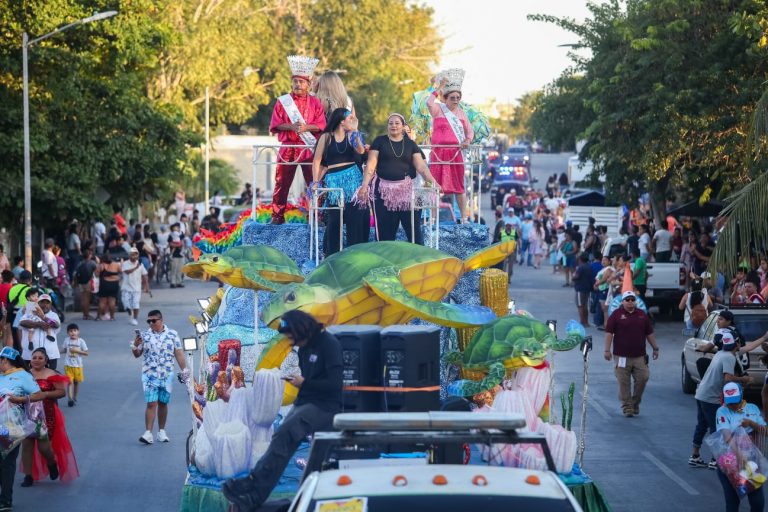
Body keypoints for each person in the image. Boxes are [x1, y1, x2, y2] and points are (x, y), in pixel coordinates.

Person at [222, 310, 342, 511]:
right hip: (308, 401)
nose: (290, 341)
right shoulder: (304, 349)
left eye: (291, 336)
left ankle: (254, 489)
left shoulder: (328, 345)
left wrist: (304, 383)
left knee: (286, 433)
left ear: (302, 330)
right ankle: (255, 487)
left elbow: (335, 385)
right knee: (281, 438)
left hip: (327, 406)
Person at [357, 113, 437, 242]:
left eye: (397, 123)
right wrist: (365, 185)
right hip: (382, 192)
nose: (393, 125)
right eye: (391, 123)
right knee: (384, 233)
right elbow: (371, 165)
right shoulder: (379, 141)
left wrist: (434, 183)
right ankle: (385, 260)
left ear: (403, 126)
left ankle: (418, 259)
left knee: (413, 231)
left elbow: (422, 167)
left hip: (406, 192)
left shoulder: (411, 144)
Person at [269, 55, 326, 224]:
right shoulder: (283, 102)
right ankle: (277, 216)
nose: (298, 85)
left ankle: (316, 216)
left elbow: (321, 125)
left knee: (314, 182)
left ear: (308, 84)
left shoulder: (316, 102)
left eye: (301, 82)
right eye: (295, 82)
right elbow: (275, 124)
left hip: (309, 147)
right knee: (281, 182)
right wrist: (292, 127)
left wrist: (306, 127)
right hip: (288, 146)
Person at [689, 330, 751, 469]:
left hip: (701, 394)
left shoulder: (720, 353)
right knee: (717, 428)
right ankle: (715, 459)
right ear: (737, 343)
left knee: (702, 424)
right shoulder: (729, 357)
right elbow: (728, 378)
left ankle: (695, 455)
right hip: (711, 397)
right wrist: (743, 379)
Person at [311, 108, 369, 257]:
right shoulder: (326, 137)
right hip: (334, 180)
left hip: (353, 179)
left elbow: (362, 151)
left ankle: (355, 255)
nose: (352, 120)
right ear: (341, 121)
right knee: (334, 219)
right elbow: (317, 160)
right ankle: (332, 255)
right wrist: (316, 181)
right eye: (350, 118)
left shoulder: (352, 136)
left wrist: (355, 132)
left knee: (354, 218)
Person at [20, 348, 78, 487]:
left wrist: (45, 395)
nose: (37, 360)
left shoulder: (52, 374)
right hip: (27, 414)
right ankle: (28, 476)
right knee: (27, 445)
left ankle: (52, 463)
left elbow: (61, 392)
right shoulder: (24, 375)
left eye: (40, 358)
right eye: (34, 357)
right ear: (30, 360)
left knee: (43, 447)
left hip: (46, 413)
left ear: (46, 361)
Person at [131, 310, 188, 444]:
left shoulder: (172, 334)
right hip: (149, 374)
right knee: (151, 403)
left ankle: (161, 431)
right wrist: (135, 344)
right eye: (148, 321)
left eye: (153, 321)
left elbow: (178, 353)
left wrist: (185, 371)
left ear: (161, 320)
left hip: (167, 374)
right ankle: (148, 433)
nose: (151, 323)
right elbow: (137, 354)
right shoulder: (144, 335)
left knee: (163, 403)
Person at [427, 70, 473, 222]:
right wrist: (438, 88)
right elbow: (428, 102)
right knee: (434, 186)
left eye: (458, 98)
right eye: (452, 97)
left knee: (459, 186)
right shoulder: (438, 109)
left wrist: (467, 141)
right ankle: (433, 218)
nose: (455, 100)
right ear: (445, 98)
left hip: (455, 154)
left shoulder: (461, 114)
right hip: (438, 153)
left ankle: (464, 218)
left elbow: (469, 132)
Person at [603, 290, 659, 417]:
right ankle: (627, 407)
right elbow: (609, 333)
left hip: (639, 356)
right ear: (622, 301)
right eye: (627, 300)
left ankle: (635, 402)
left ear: (635, 301)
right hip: (621, 356)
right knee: (624, 382)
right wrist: (607, 350)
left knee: (643, 378)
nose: (630, 302)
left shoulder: (642, 315)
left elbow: (649, 333)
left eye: (632, 300)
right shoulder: (616, 315)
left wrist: (655, 348)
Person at [0, 347, 43, 510]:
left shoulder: (23, 376)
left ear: (4, 360)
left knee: (7, 462)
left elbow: (38, 394)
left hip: (12, 427)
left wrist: (21, 399)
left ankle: (5, 500)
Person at [714, 382, 766, 512]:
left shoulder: (753, 409)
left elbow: (766, 431)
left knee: (757, 502)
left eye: (735, 402)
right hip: (729, 463)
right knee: (732, 502)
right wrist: (739, 455)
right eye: (729, 402)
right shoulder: (722, 411)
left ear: (741, 396)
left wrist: (751, 423)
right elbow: (727, 437)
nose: (732, 406)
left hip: (752, 462)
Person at [19, 294, 61, 369]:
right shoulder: (30, 312)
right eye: (42, 302)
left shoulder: (53, 315)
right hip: (30, 354)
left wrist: (43, 317)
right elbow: (22, 322)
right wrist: (39, 324)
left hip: (50, 354)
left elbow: (56, 325)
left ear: (50, 304)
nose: (45, 305)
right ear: (38, 303)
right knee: (30, 377)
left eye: (47, 303)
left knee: (50, 377)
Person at [121, 248, 148, 325]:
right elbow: (127, 272)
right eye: (132, 254)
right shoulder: (125, 264)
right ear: (129, 255)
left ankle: (135, 318)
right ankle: (130, 315)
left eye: (136, 254)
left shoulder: (141, 265)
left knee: (136, 304)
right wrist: (136, 267)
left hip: (136, 289)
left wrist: (146, 287)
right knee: (126, 305)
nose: (134, 256)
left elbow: (144, 275)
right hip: (126, 288)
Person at [63, 323, 88, 407]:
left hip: (78, 366)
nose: (73, 333)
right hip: (68, 365)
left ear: (78, 332)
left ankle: (74, 397)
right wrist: (55, 353)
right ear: (67, 332)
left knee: (76, 382)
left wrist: (77, 351)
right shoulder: (66, 340)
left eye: (75, 331)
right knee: (70, 382)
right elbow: (64, 350)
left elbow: (86, 353)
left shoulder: (81, 341)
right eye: (70, 331)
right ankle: (70, 399)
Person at [96, 253, 121, 321]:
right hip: (114, 283)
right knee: (112, 301)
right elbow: (120, 271)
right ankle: (112, 317)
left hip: (104, 283)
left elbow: (96, 275)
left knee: (102, 301)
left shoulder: (101, 265)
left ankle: (98, 317)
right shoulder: (116, 264)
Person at [74, 249, 97, 320]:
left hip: (81, 282)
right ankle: (87, 315)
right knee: (87, 299)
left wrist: (75, 282)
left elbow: (75, 273)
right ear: (89, 255)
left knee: (83, 299)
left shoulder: (80, 263)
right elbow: (96, 271)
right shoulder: (92, 263)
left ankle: (84, 314)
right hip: (88, 282)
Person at [594, 255, 615, 330]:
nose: (603, 261)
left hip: (605, 290)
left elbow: (604, 279)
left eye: (605, 260)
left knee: (605, 308)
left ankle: (607, 325)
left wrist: (597, 284)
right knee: (604, 309)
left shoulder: (609, 269)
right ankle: (605, 324)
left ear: (609, 261)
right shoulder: (603, 269)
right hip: (601, 290)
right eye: (602, 260)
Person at [573, 253, 594, 328]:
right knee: (585, 305)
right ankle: (586, 321)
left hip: (580, 288)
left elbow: (576, 276)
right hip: (587, 288)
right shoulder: (589, 266)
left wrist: (573, 277)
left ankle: (582, 322)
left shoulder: (581, 267)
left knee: (580, 306)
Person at [168, 223, 185, 288]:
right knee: (173, 269)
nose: (177, 228)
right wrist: (178, 245)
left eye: (178, 227)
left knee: (180, 270)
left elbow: (183, 242)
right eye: (176, 227)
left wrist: (181, 244)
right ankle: (173, 283)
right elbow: (170, 244)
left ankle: (179, 282)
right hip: (174, 255)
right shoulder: (171, 235)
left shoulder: (180, 235)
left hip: (181, 254)